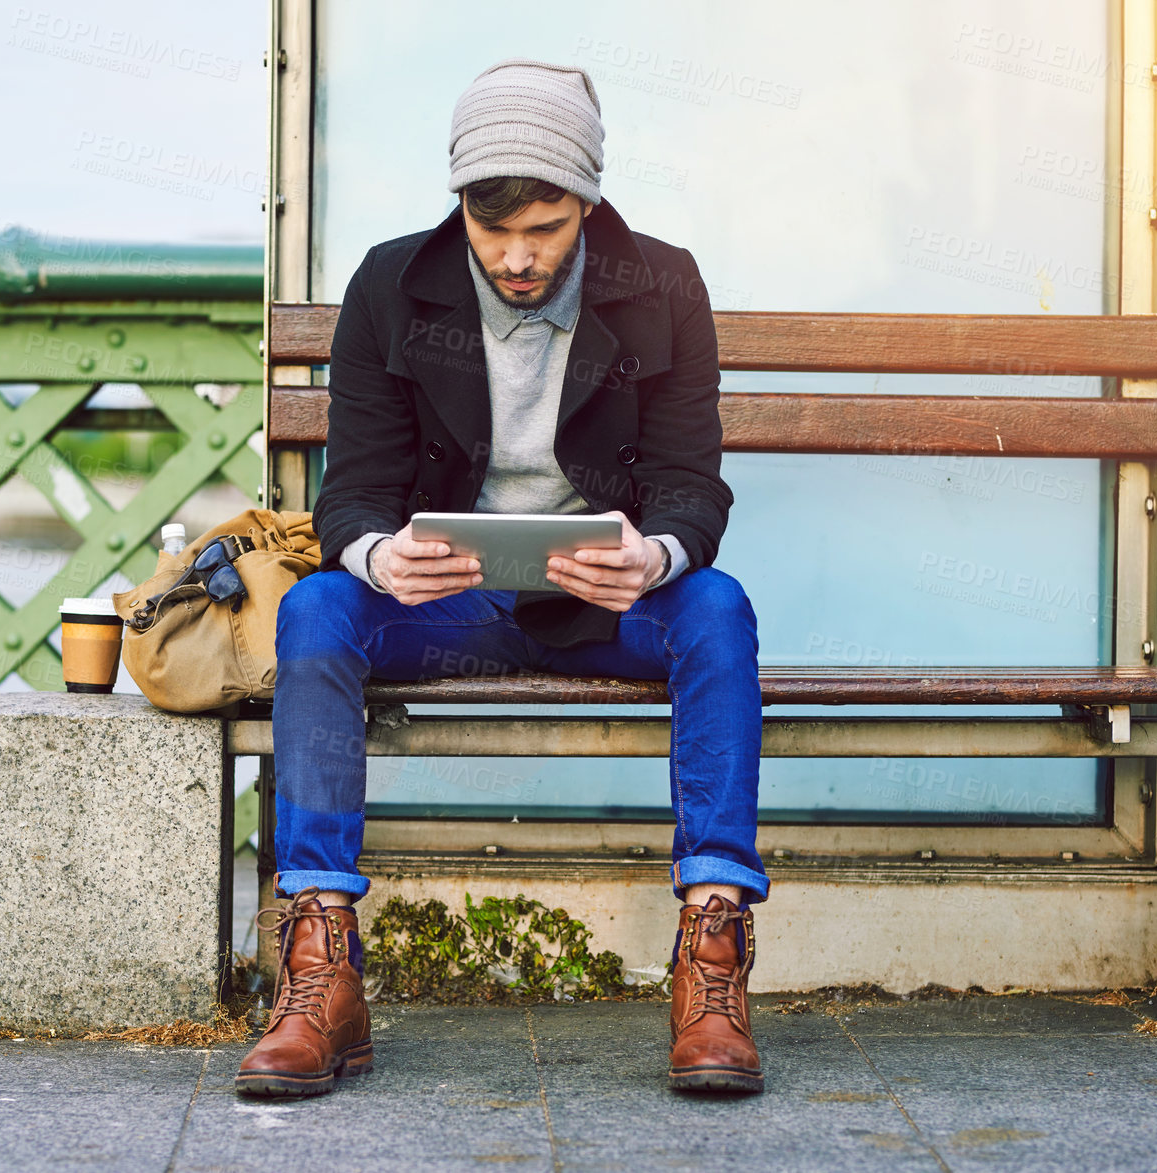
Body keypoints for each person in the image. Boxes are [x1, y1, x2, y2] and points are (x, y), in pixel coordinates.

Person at [235, 58, 767, 1099]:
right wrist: (379, 556)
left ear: (588, 201)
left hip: (602, 609)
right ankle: (320, 969)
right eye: (494, 232)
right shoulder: (394, 283)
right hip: (443, 608)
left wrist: (651, 558)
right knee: (319, 606)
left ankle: (711, 961)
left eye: (548, 229)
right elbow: (352, 494)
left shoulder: (662, 283)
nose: (519, 259)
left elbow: (691, 487)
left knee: (714, 605)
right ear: (459, 209)